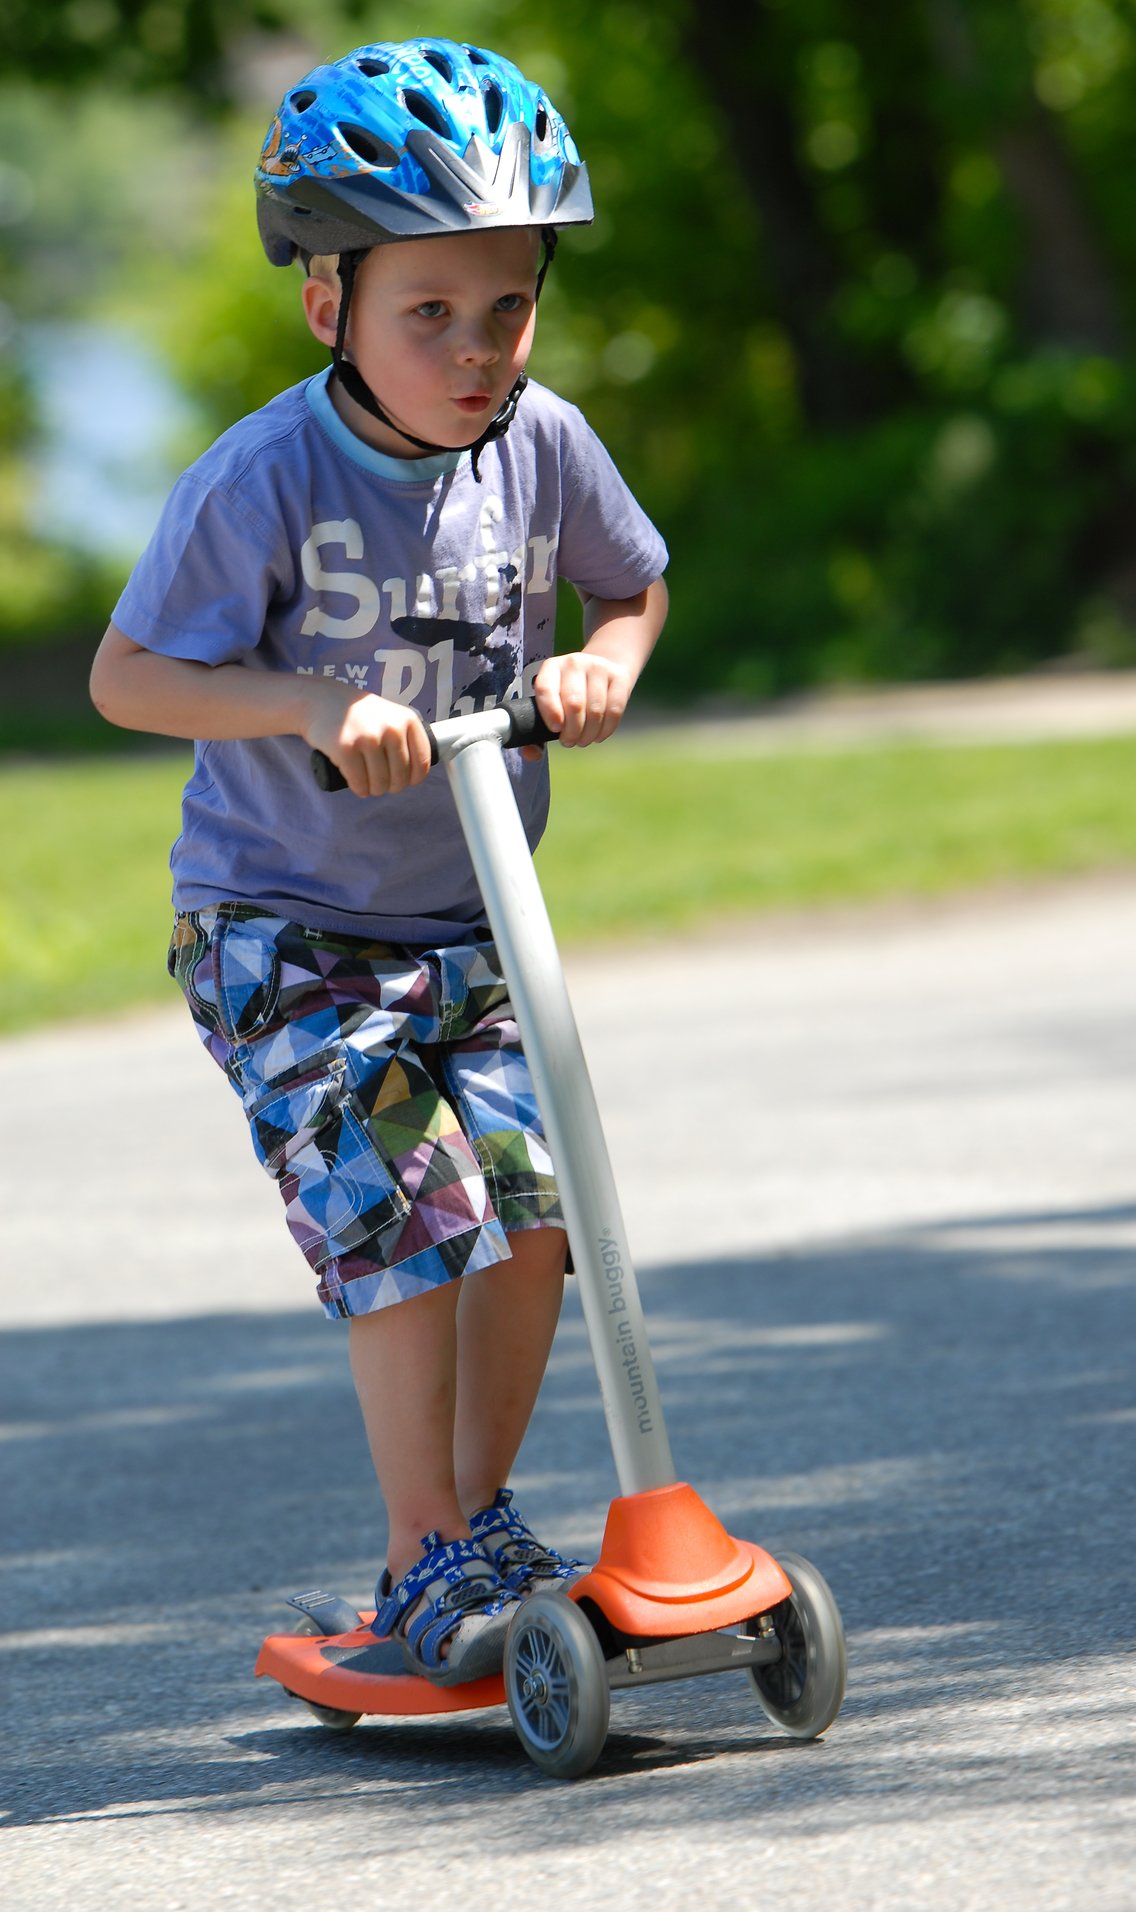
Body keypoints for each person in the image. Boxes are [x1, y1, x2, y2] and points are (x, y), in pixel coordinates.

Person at [90, 37, 669, 1686]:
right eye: (434, 312)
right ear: (328, 304)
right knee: (413, 1213)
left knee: (541, 1210)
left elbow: (632, 586)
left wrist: (603, 667)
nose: (480, 349)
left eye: (510, 308)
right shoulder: (261, 477)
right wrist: (303, 702)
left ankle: (465, 1533)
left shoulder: (543, 444)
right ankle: (428, 1546)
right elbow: (128, 679)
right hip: (287, 926)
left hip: (472, 913)